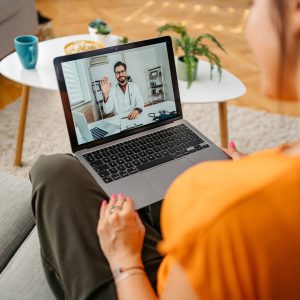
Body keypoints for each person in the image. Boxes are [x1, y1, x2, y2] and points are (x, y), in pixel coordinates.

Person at [30, 0, 300, 299]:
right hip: (202, 242)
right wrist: (251, 171)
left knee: (52, 170)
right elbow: (108, 111)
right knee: (139, 181)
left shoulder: (228, 210)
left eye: (254, 5)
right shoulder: (272, 178)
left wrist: (125, 260)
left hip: (147, 285)